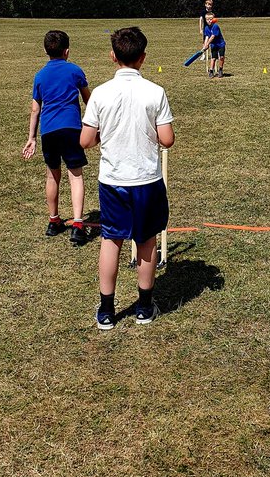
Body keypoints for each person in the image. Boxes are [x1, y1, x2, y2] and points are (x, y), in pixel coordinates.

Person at [80, 26, 175, 330]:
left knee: (111, 239)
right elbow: (167, 138)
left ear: (112, 56)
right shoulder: (155, 92)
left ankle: (107, 310)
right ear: (143, 58)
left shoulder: (101, 94)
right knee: (146, 241)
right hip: (146, 180)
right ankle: (144, 308)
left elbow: (86, 140)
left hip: (114, 180)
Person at [22, 29, 91, 246]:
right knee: (75, 175)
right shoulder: (75, 71)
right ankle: (78, 225)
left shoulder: (40, 75)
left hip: (49, 131)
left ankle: (53, 220)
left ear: (46, 51)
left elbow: (35, 109)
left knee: (52, 176)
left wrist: (31, 137)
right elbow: (89, 99)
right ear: (67, 51)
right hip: (71, 128)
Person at [202, 13, 226, 79]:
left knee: (221, 57)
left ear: (213, 19)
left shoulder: (215, 26)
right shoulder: (206, 28)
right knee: (213, 58)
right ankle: (211, 71)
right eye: (207, 19)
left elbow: (212, 37)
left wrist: (207, 44)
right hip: (213, 45)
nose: (209, 21)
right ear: (205, 20)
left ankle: (220, 70)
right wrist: (205, 45)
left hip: (221, 44)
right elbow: (207, 36)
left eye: (211, 19)